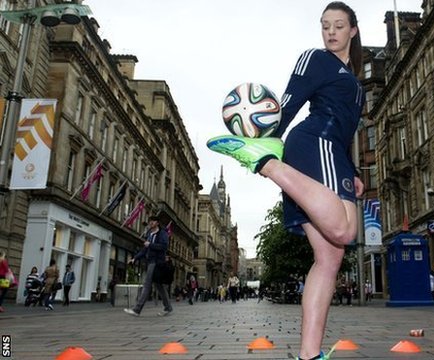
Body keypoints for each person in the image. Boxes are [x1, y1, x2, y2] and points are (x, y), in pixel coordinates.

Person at [207, 3, 363, 358]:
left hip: (335, 153)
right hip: (313, 144)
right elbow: (288, 102)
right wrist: (266, 142)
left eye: (339, 25)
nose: (331, 32)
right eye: (325, 26)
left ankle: (309, 356)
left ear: (353, 30)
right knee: (343, 232)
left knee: (330, 258)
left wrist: (353, 172)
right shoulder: (316, 59)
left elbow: (347, 130)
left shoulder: (354, 81)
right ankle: (265, 163)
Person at [124, 215, 173, 317]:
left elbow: (164, 247)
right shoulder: (150, 234)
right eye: (150, 221)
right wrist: (135, 258)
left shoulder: (162, 233)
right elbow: (144, 250)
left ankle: (137, 309)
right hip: (150, 262)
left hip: (157, 263)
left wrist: (150, 245)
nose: (151, 223)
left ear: (157, 223)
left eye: (153, 221)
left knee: (147, 285)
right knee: (160, 287)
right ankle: (168, 307)